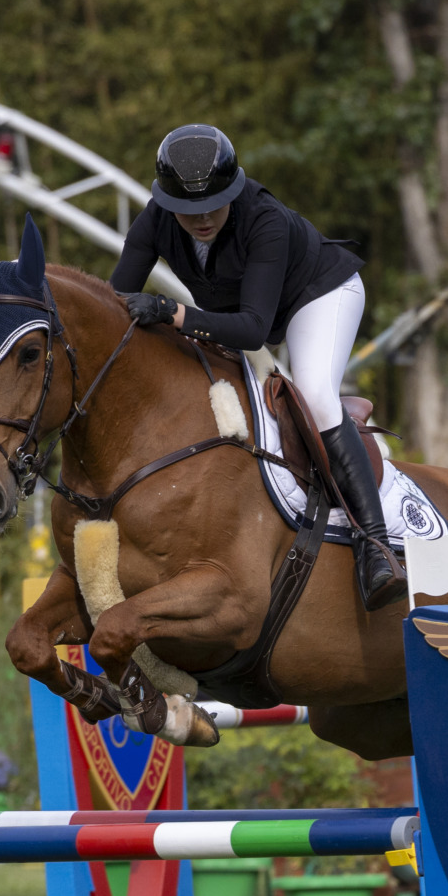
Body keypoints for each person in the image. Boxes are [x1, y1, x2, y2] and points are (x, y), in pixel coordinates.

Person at [109, 124, 398, 611]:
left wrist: (172, 313)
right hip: (251, 315)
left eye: (212, 205)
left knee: (315, 396)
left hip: (320, 296)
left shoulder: (264, 220)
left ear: (234, 189)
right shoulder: (156, 220)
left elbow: (251, 330)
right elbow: (117, 301)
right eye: (187, 211)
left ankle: (377, 547)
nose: (201, 219)